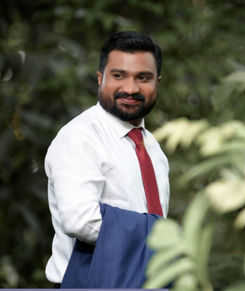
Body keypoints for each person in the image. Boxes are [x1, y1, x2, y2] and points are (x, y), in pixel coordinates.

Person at [44, 31, 170, 286]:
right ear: (100, 79)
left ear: (157, 82)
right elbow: (80, 220)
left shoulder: (153, 148)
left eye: (143, 78)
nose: (131, 88)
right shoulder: (80, 137)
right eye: (119, 75)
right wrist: (162, 235)